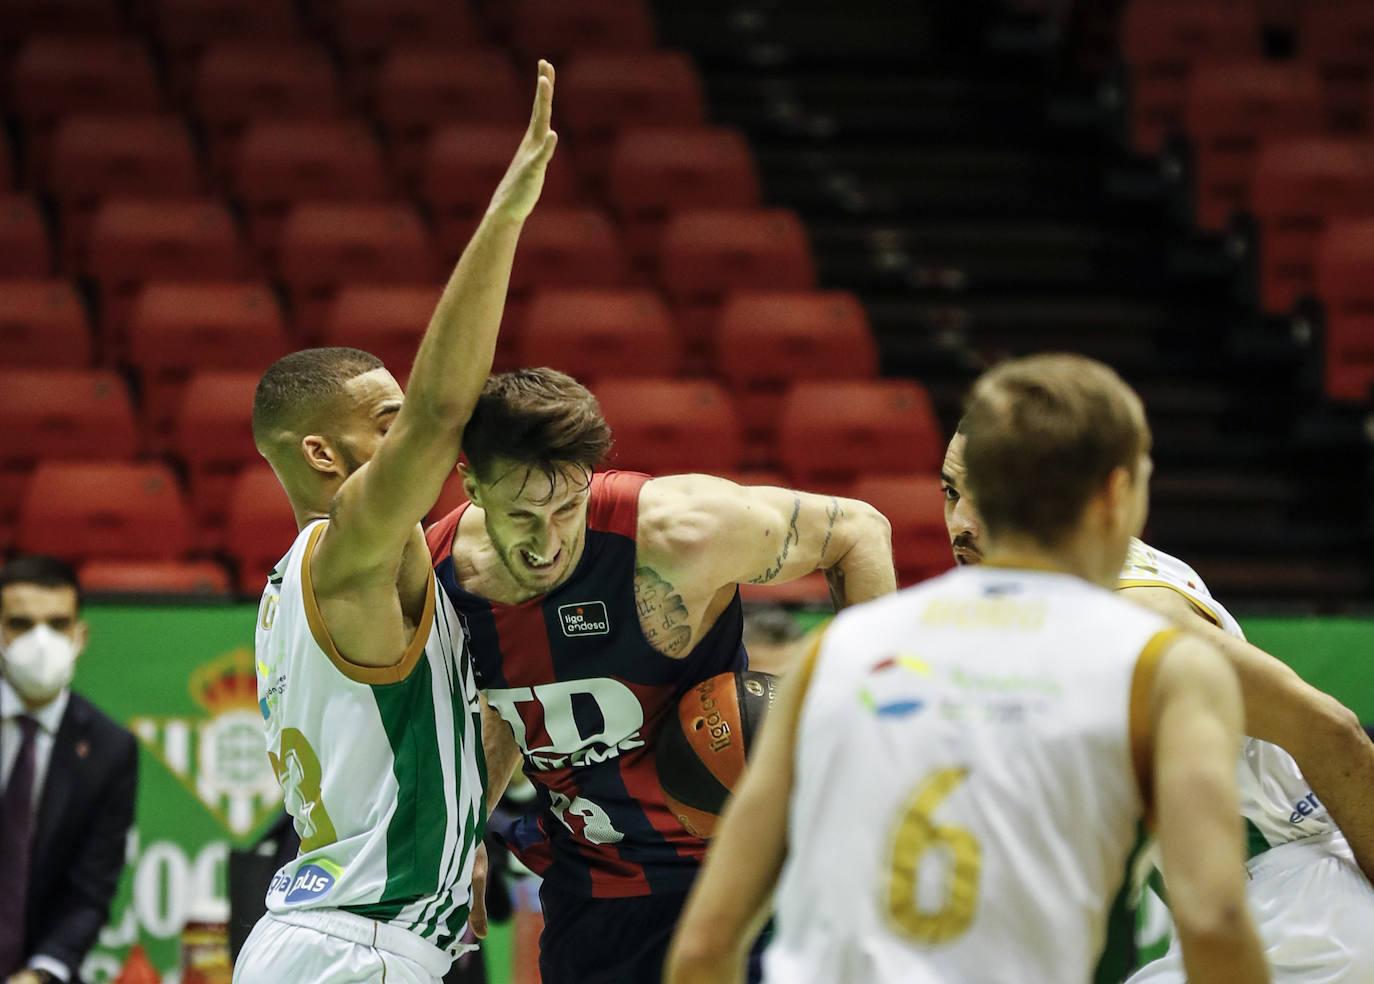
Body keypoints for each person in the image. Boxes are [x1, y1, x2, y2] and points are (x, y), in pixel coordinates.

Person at [665, 353, 1268, 984]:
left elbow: (705, 945)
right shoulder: (1159, 665)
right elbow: (1215, 926)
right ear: (1117, 496)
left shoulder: (839, 652)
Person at [232, 60, 558, 984]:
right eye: (383, 423)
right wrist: (505, 220)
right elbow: (442, 412)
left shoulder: (327, 579)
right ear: (322, 457)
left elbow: (435, 753)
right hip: (355, 951)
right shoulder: (349, 548)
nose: (421, 445)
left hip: (350, 941)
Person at [424, 367, 896, 983]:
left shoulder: (680, 528)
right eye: (522, 514)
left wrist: (878, 743)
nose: (547, 540)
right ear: (472, 485)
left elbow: (859, 532)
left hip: (734, 875)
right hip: (590, 890)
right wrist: (460, 840)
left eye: (568, 505)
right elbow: (510, 708)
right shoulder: (440, 575)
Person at [941, 419, 1374, 981]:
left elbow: (1329, 728)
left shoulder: (1134, 615)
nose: (962, 524)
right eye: (952, 492)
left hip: (1307, 913)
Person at [0, 556, 138, 984]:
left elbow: (89, 891)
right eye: (21, 624)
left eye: (57, 624)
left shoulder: (109, 749)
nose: (40, 641)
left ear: (81, 635)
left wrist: (42, 972)